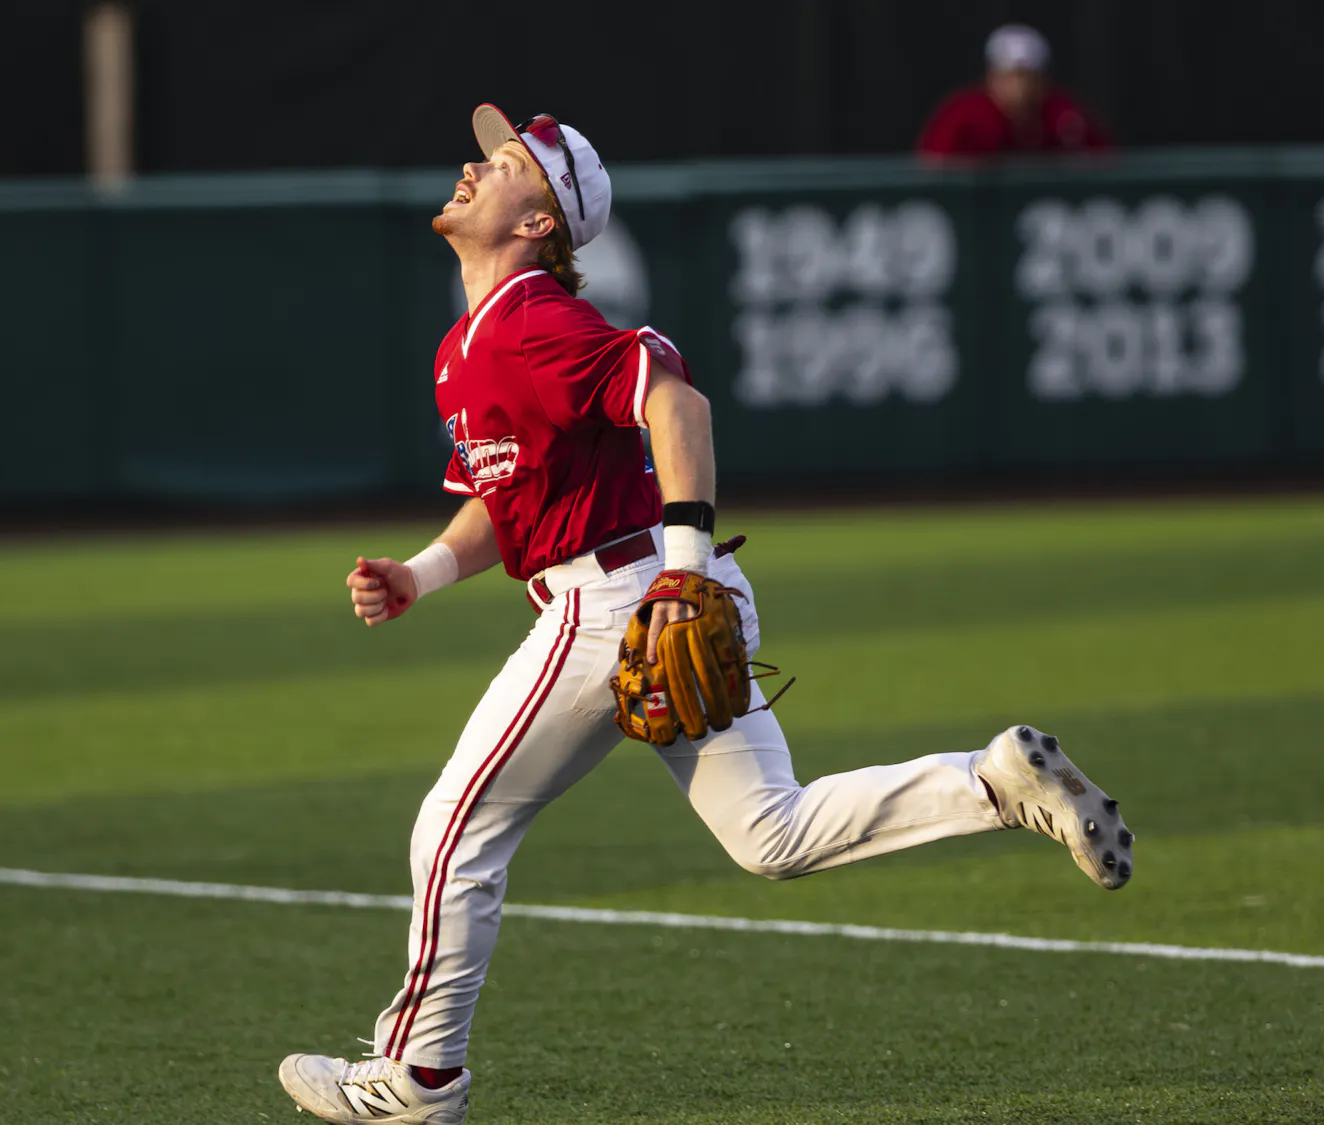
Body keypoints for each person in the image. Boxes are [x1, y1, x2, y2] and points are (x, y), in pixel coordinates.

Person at [277, 104, 1134, 1124]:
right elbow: (505, 505)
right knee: (769, 833)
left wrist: (681, 567)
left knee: (455, 834)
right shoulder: (471, 343)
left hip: (624, 599)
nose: (472, 165)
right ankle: (991, 783)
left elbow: (676, 402)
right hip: (649, 582)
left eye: (503, 164)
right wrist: (420, 574)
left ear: (539, 222)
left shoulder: (533, 320)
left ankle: (418, 1081)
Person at [917, 24, 1112, 162]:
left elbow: (1105, 164)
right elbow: (931, 168)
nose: (1022, 87)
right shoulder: (965, 115)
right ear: (991, 78)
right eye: (1011, 76)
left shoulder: (1063, 115)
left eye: (1030, 77)